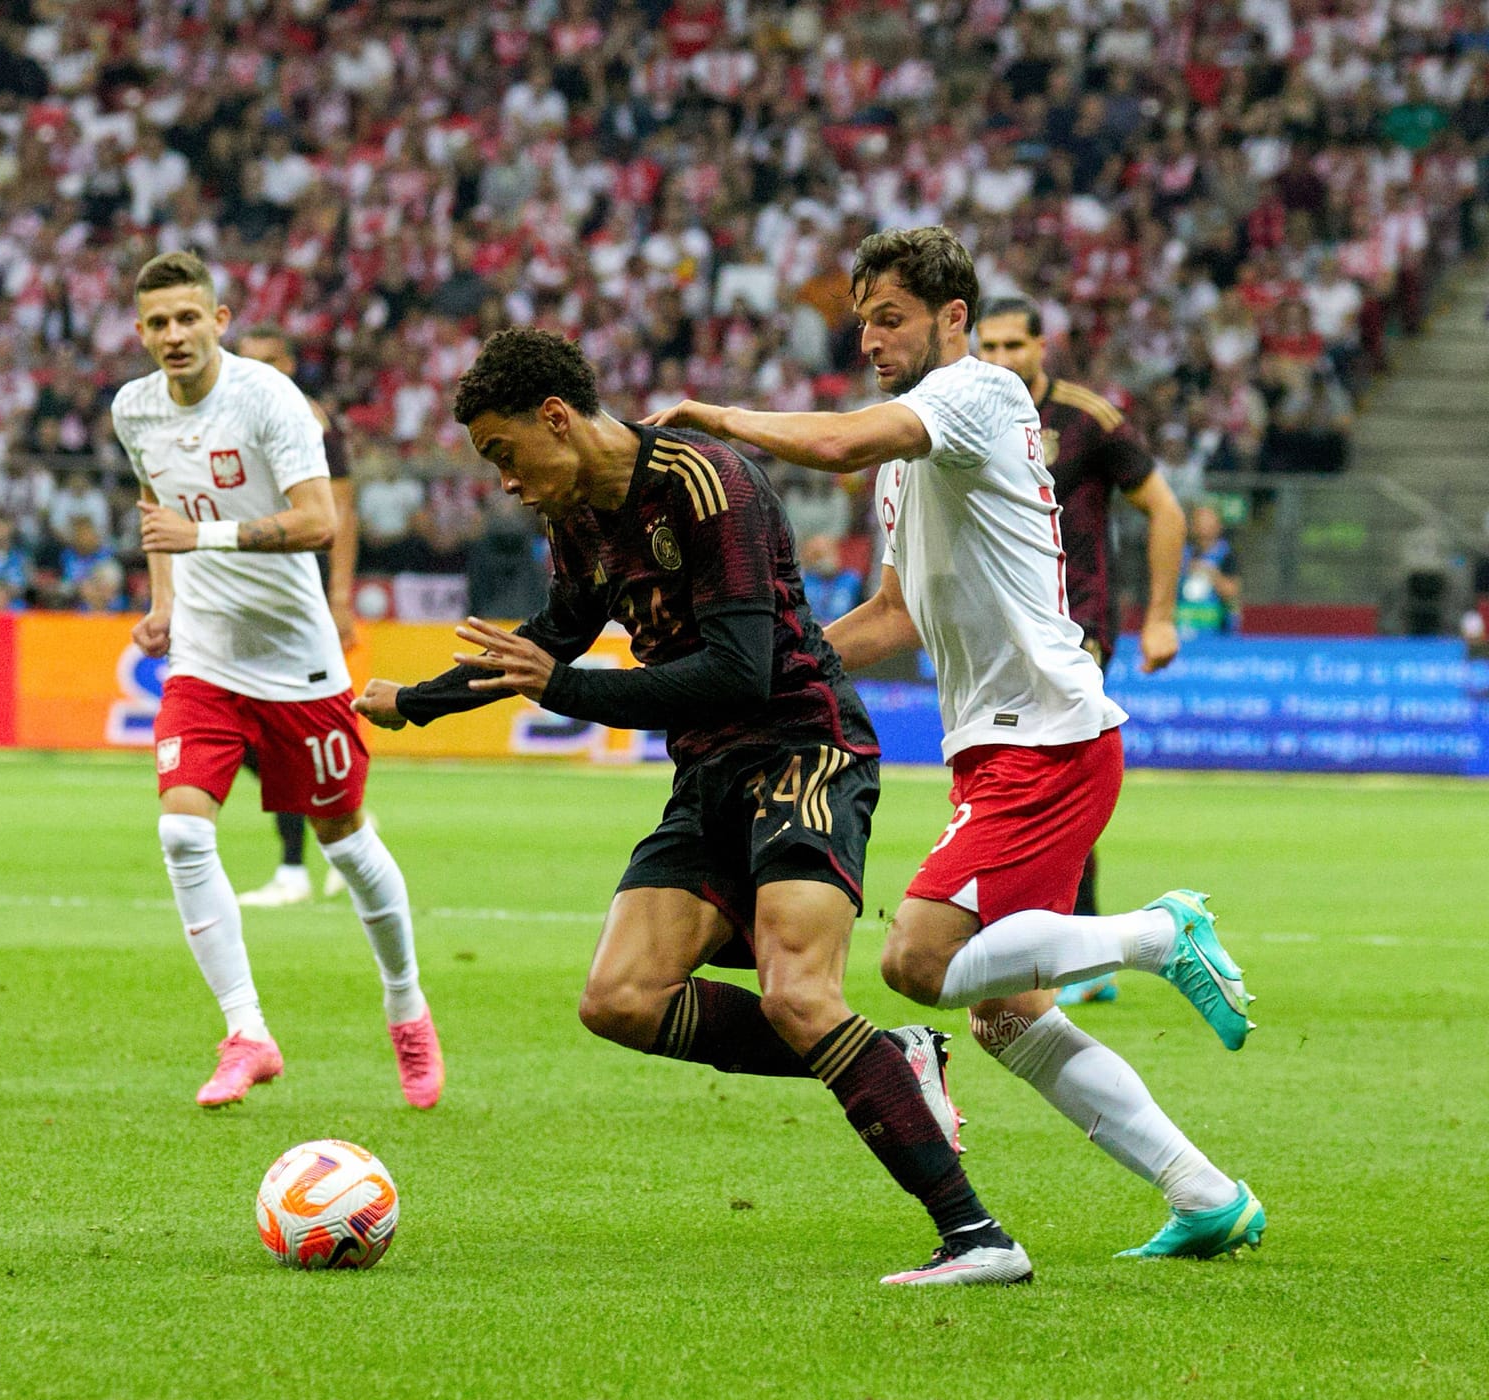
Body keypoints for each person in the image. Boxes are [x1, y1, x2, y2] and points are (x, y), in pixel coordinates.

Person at [357, 327, 1031, 1287]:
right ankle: (891, 1058)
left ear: (556, 418)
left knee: (800, 993)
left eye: (504, 453)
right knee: (620, 999)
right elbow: (550, 638)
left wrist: (568, 689)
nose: (503, 480)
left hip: (803, 749)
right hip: (707, 774)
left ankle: (977, 1236)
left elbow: (736, 670)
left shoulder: (707, 483)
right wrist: (417, 703)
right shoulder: (577, 514)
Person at [646, 227, 1264, 1260]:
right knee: (1010, 1014)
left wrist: (714, 417)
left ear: (954, 319)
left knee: (919, 959)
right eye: (863, 323)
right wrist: (780, 674)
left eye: (891, 319)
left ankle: (1159, 934)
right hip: (995, 746)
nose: (874, 339)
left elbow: (839, 440)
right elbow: (896, 610)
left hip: (1051, 735)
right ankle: (1204, 1194)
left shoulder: (978, 393)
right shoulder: (909, 459)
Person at [111, 250, 442, 1110]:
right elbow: (160, 515)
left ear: (219, 320)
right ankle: (246, 1031)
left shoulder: (269, 398)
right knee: (182, 836)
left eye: (189, 317)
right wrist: (163, 602)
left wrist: (203, 544)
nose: (174, 335)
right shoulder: (133, 410)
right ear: (140, 332)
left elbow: (318, 518)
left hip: (298, 664)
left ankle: (406, 1006)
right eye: (158, 323)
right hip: (207, 660)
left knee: (346, 843)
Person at [976, 296, 1189, 1002]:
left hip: (1079, 624)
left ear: (1043, 347)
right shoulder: (967, 415)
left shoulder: (1088, 421)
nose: (1002, 360)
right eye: (991, 347)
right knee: (1021, 770)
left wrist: (1159, 617)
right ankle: (1067, 941)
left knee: (1056, 766)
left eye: (1014, 346)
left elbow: (1165, 508)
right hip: (999, 626)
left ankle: (1082, 947)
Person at [231, 323, 362, 909]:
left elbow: (343, 511)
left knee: (286, 725)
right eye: (246, 360)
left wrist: (339, 597)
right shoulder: (228, 416)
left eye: (266, 360)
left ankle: (298, 864)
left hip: (298, 590)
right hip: (243, 589)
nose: (255, 370)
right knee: (247, 733)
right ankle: (341, 821)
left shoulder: (312, 420)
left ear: (287, 362)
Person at [1178, 504, 1240, 636]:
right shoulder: (1182, 555)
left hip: (1216, 632)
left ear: (1219, 526)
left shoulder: (1226, 555)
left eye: (1208, 521)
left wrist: (1210, 573)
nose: (1203, 526)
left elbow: (1231, 591)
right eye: (1199, 521)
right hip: (1184, 630)